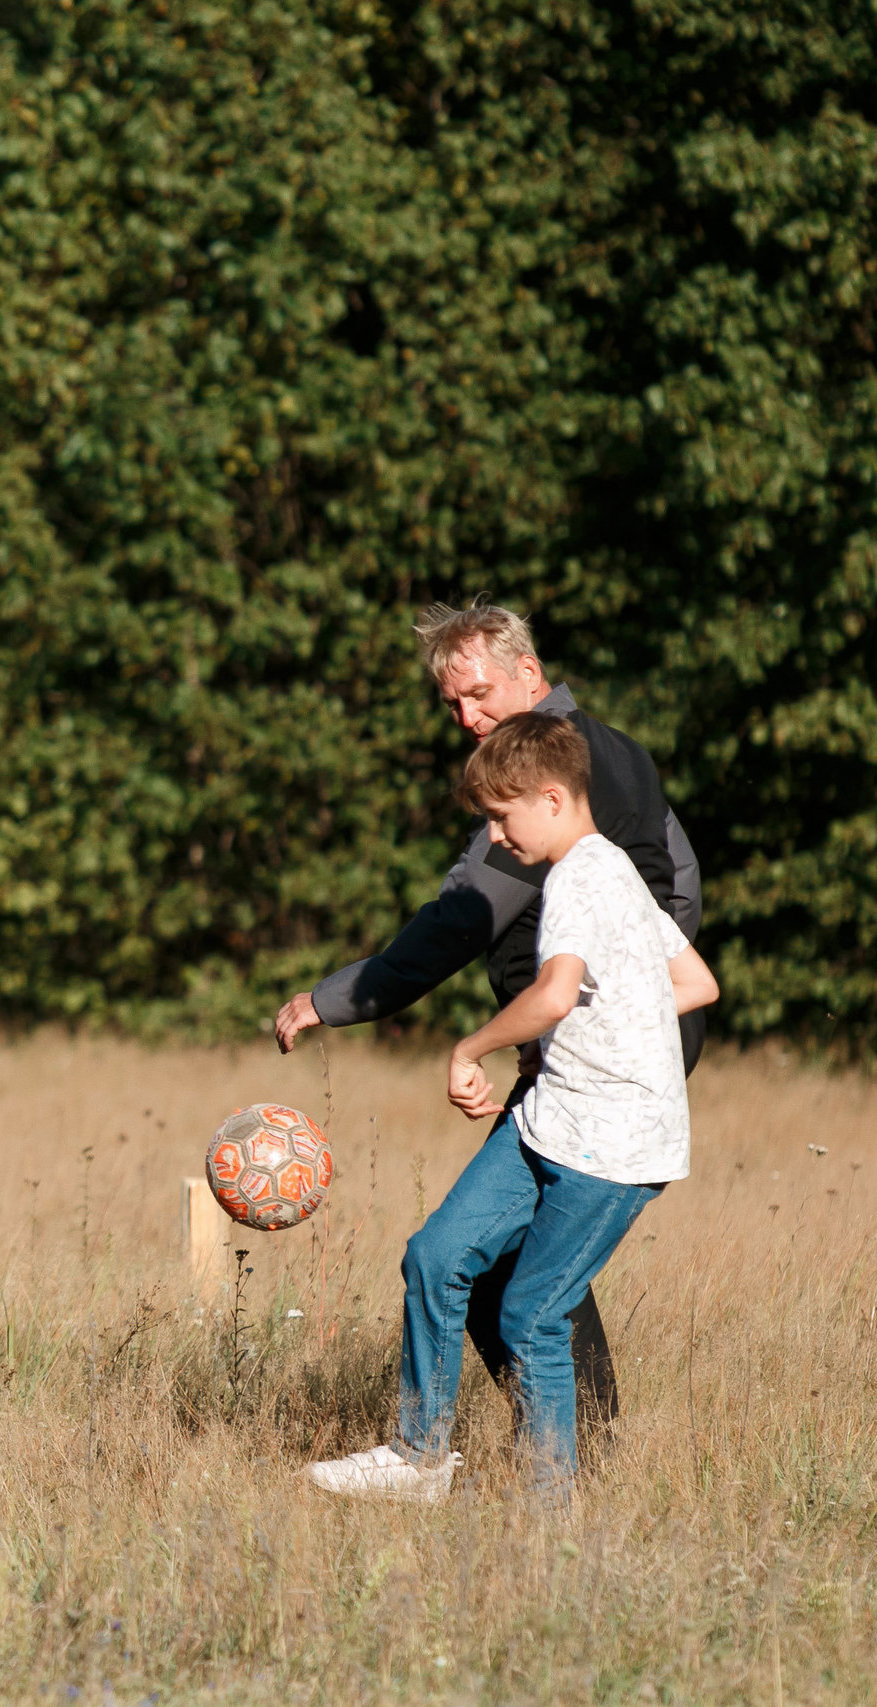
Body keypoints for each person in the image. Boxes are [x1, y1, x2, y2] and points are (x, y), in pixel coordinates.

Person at [272, 601, 702, 1426]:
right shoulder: (623, 754)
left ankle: (571, 1453)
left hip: (604, 1054)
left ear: (530, 678)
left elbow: (459, 921)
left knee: (503, 1270)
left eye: (479, 693)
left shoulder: (545, 786)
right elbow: (684, 888)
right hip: (619, 1035)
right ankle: (538, 1447)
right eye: (452, 704)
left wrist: (334, 998)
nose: (467, 717)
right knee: (480, 1258)